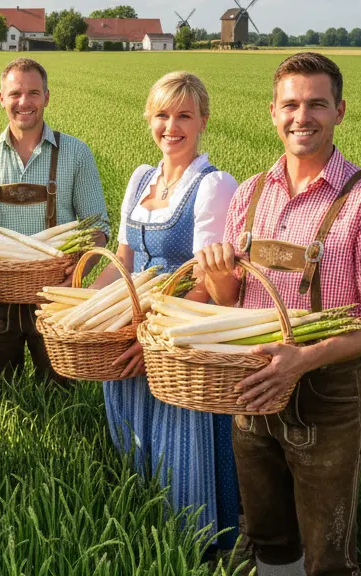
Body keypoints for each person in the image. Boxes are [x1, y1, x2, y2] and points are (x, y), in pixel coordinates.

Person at [196, 52, 361, 576]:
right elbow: (231, 302)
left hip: (326, 394)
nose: (302, 116)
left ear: (340, 110)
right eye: (290, 104)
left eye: (317, 103)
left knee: (327, 556)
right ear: (273, 112)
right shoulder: (249, 194)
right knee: (268, 542)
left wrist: (301, 359)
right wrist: (221, 279)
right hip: (252, 388)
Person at [93, 71, 240, 552]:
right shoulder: (140, 179)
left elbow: (207, 283)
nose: (171, 126)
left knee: (180, 443)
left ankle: (198, 547)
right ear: (148, 119)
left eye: (183, 115)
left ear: (203, 122)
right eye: (161, 114)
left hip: (179, 336)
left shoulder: (214, 186)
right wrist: (86, 312)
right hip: (133, 328)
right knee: (135, 438)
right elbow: (122, 263)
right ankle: (143, 541)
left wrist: (150, 337)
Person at [0, 57, 110, 386]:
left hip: (57, 300)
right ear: (1, 99)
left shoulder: (75, 153)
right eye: (15, 94)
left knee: (59, 393)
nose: (24, 102)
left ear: (47, 97)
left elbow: (99, 229)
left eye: (33, 93)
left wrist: (78, 273)